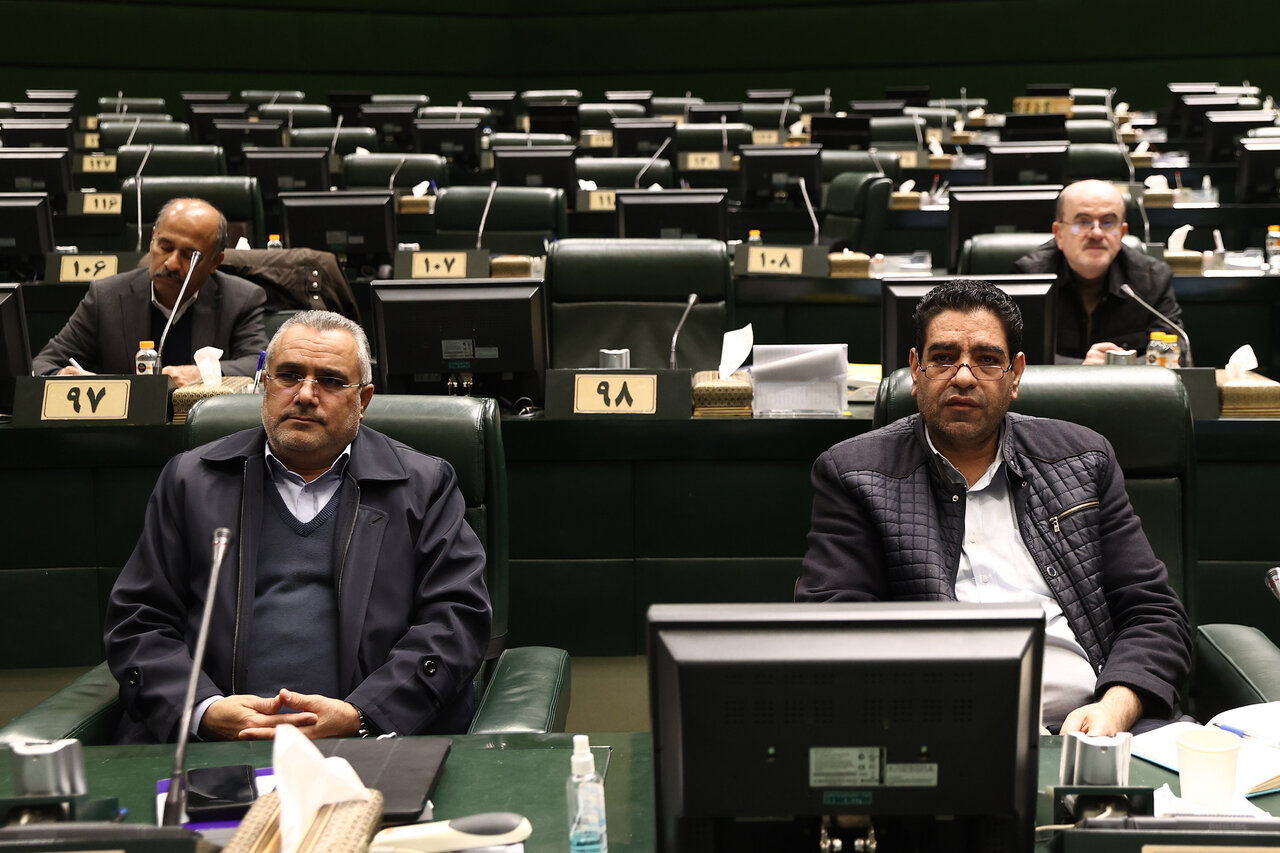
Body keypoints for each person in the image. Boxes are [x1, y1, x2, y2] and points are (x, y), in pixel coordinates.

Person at [797, 280, 1190, 735]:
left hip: (1101, 728)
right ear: (916, 370)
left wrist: (1116, 707)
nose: (963, 376)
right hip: (937, 729)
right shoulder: (854, 473)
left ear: (1015, 374)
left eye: (986, 359)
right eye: (943, 357)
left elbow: (1152, 612)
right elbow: (836, 626)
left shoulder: (1084, 458)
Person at [104, 310, 491, 743]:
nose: (306, 395)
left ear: (363, 400)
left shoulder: (422, 486)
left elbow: (456, 620)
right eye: (289, 375)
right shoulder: (192, 481)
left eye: (330, 381)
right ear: (265, 384)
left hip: (368, 745)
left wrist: (363, 714)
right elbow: (139, 621)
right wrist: (203, 710)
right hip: (215, 747)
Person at [32, 197, 267, 387]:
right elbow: (43, 364)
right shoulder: (106, 297)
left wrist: (202, 373)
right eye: (165, 247)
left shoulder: (240, 299)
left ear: (215, 261)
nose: (171, 263)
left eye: (189, 255)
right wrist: (62, 376)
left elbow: (259, 365)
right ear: (152, 239)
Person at [1013, 179, 1185, 364]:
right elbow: (1013, 354)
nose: (1096, 233)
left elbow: (1177, 353)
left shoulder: (1153, 279)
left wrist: (1120, 367)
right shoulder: (1030, 278)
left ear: (1122, 233)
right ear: (1059, 233)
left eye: (1108, 222)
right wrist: (1081, 368)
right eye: (1083, 222)